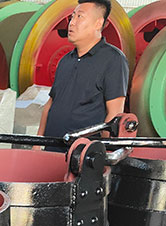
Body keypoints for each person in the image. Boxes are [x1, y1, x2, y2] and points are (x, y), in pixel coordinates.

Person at [37, 0, 129, 148]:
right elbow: (50, 104)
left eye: (79, 17)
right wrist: (38, 142)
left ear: (98, 23)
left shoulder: (113, 60)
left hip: (82, 153)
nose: (72, 23)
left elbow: (114, 114)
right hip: (51, 148)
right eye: (72, 17)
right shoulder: (65, 61)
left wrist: (105, 152)